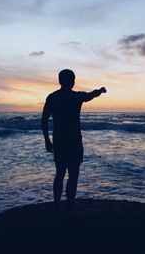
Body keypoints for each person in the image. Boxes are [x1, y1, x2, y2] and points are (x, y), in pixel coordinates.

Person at [41, 69, 106, 207]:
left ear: (60, 81)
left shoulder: (52, 97)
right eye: (73, 78)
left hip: (59, 139)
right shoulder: (77, 97)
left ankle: (57, 205)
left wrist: (47, 139)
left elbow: (44, 120)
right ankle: (70, 205)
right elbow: (92, 94)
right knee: (73, 175)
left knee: (60, 173)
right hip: (74, 140)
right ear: (71, 81)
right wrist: (100, 90)